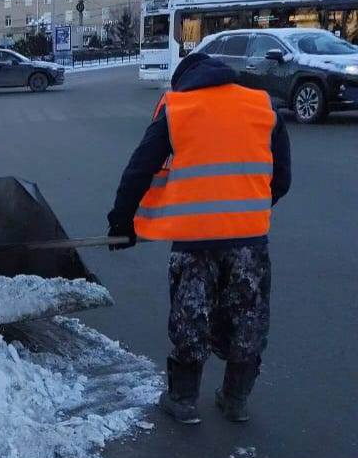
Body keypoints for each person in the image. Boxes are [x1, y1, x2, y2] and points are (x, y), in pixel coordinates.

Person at [107, 52, 291, 425]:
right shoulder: (262, 106)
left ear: (185, 80)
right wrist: (246, 207)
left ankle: (183, 400)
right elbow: (282, 179)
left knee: (192, 317)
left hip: (195, 243)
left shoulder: (177, 108)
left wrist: (122, 223)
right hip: (249, 241)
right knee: (248, 318)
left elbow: (140, 168)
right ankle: (235, 400)